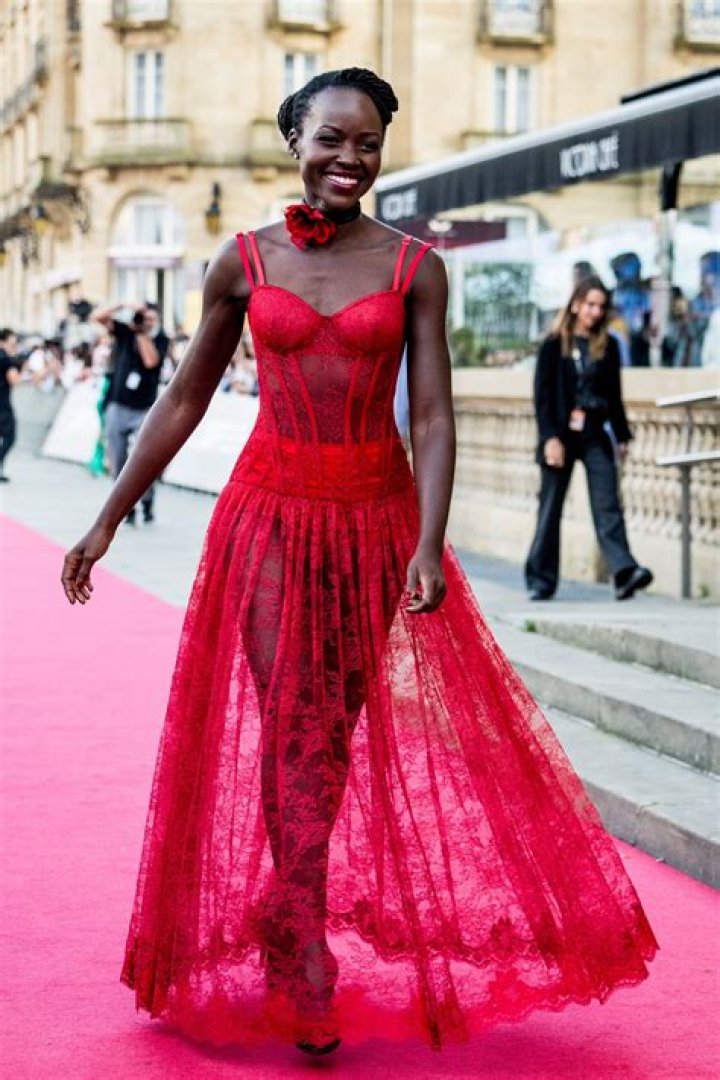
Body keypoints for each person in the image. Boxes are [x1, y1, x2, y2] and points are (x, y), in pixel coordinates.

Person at [62, 69, 656, 1058]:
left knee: (326, 729)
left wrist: (428, 539)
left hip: (373, 522)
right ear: (293, 136)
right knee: (287, 712)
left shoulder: (417, 265)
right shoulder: (241, 260)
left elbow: (431, 412)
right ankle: (300, 936)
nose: (351, 156)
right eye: (332, 137)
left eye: (369, 142)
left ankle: (289, 902)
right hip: (267, 519)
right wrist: (106, 518)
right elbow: (181, 402)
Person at [525, 276, 653, 602]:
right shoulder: (554, 344)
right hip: (561, 434)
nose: (595, 312)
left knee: (608, 504)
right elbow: (542, 396)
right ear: (576, 304)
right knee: (550, 508)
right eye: (590, 305)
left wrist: (622, 436)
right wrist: (549, 438)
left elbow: (614, 395)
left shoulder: (606, 345)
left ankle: (624, 572)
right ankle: (541, 578)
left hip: (595, 433)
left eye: (601, 306)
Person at [92, 302, 167, 524]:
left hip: (145, 407)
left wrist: (142, 334)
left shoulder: (160, 338)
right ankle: (125, 508)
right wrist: (123, 305)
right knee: (117, 459)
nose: (147, 322)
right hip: (118, 404)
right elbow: (97, 316)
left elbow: (151, 361)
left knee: (143, 460)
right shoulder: (125, 331)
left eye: (151, 319)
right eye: (144, 318)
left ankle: (146, 501)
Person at [0, 328, 22, 482]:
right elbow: (15, 381)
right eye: (12, 343)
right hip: (2, 405)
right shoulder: (6, 359)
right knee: (10, 436)